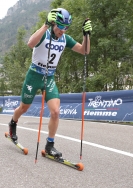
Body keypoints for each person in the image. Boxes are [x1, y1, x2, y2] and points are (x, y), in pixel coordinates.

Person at [8, 8, 92, 158]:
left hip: (49, 78)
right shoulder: (45, 33)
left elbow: (84, 50)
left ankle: (49, 145)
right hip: (34, 76)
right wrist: (45, 25)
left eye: (66, 27)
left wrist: (86, 36)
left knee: (55, 111)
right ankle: (13, 123)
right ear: (54, 23)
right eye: (60, 26)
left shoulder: (65, 38)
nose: (63, 30)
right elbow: (30, 44)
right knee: (24, 107)